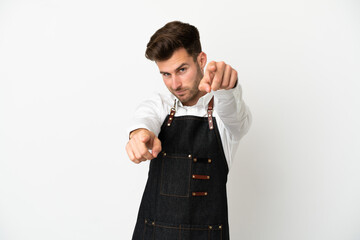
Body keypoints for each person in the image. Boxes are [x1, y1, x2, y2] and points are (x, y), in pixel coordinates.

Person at [126, 21, 252, 240]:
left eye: (182, 70)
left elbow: (236, 117)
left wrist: (228, 88)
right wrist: (139, 135)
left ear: (201, 60)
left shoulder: (224, 115)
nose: (175, 84)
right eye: (166, 74)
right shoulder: (161, 104)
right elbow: (145, 118)